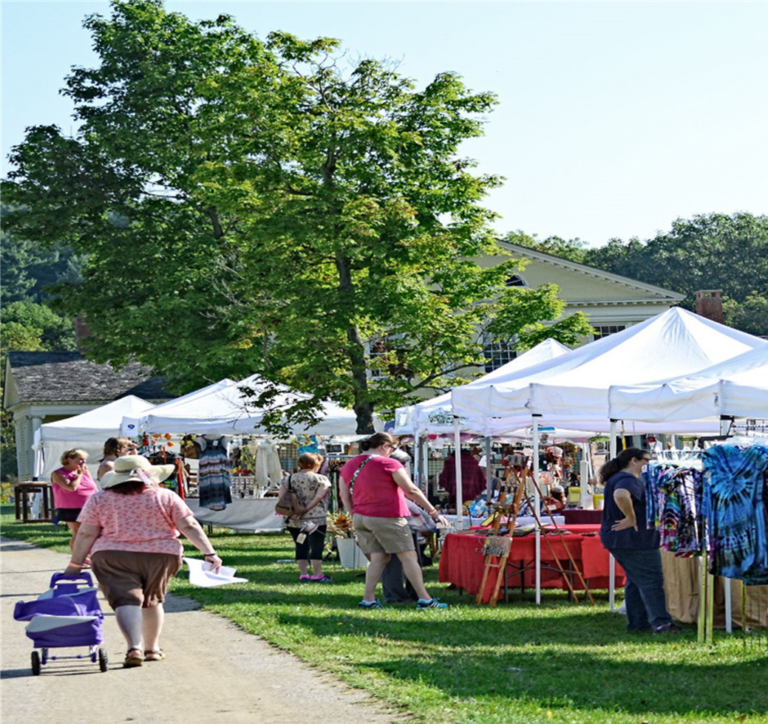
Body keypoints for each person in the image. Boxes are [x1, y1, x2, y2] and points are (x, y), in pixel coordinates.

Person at [62, 454, 224, 667]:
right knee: (152, 600)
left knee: (125, 600)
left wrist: (76, 563)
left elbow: (85, 534)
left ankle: (133, 647)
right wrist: (209, 553)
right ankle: (152, 649)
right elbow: (189, 526)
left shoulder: (100, 499)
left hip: (112, 556)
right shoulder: (166, 496)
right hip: (161, 556)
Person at [339, 432, 449, 610]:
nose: (392, 452)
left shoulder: (349, 465)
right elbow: (410, 490)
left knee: (378, 559)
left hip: (361, 516)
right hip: (387, 516)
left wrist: (354, 515)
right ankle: (425, 599)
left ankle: (368, 600)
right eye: (392, 448)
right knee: (409, 556)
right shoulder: (389, 463)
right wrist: (433, 512)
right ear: (384, 446)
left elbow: (344, 496)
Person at [599, 448, 682, 634]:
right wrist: (630, 517)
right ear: (634, 461)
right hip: (634, 540)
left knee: (636, 581)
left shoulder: (618, 477)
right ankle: (662, 623)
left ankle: (638, 624)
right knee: (651, 581)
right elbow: (620, 495)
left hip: (624, 539)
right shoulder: (628, 479)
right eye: (646, 460)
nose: (649, 464)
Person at [278, 452, 332, 582]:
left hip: (294, 518)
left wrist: (295, 511)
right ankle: (317, 573)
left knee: (300, 544)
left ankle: (303, 573)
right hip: (315, 518)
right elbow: (319, 497)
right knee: (316, 545)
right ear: (316, 464)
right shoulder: (321, 479)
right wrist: (306, 509)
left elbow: (281, 498)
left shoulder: (288, 479)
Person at [51, 449, 99, 558]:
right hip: (71, 507)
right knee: (78, 533)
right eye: (80, 460)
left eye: (85, 460)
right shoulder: (58, 473)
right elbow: (71, 488)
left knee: (90, 533)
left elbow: (93, 486)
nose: (83, 463)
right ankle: (78, 559)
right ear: (69, 460)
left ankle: (88, 556)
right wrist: (80, 475)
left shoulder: (84, 470)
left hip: (89, 506)